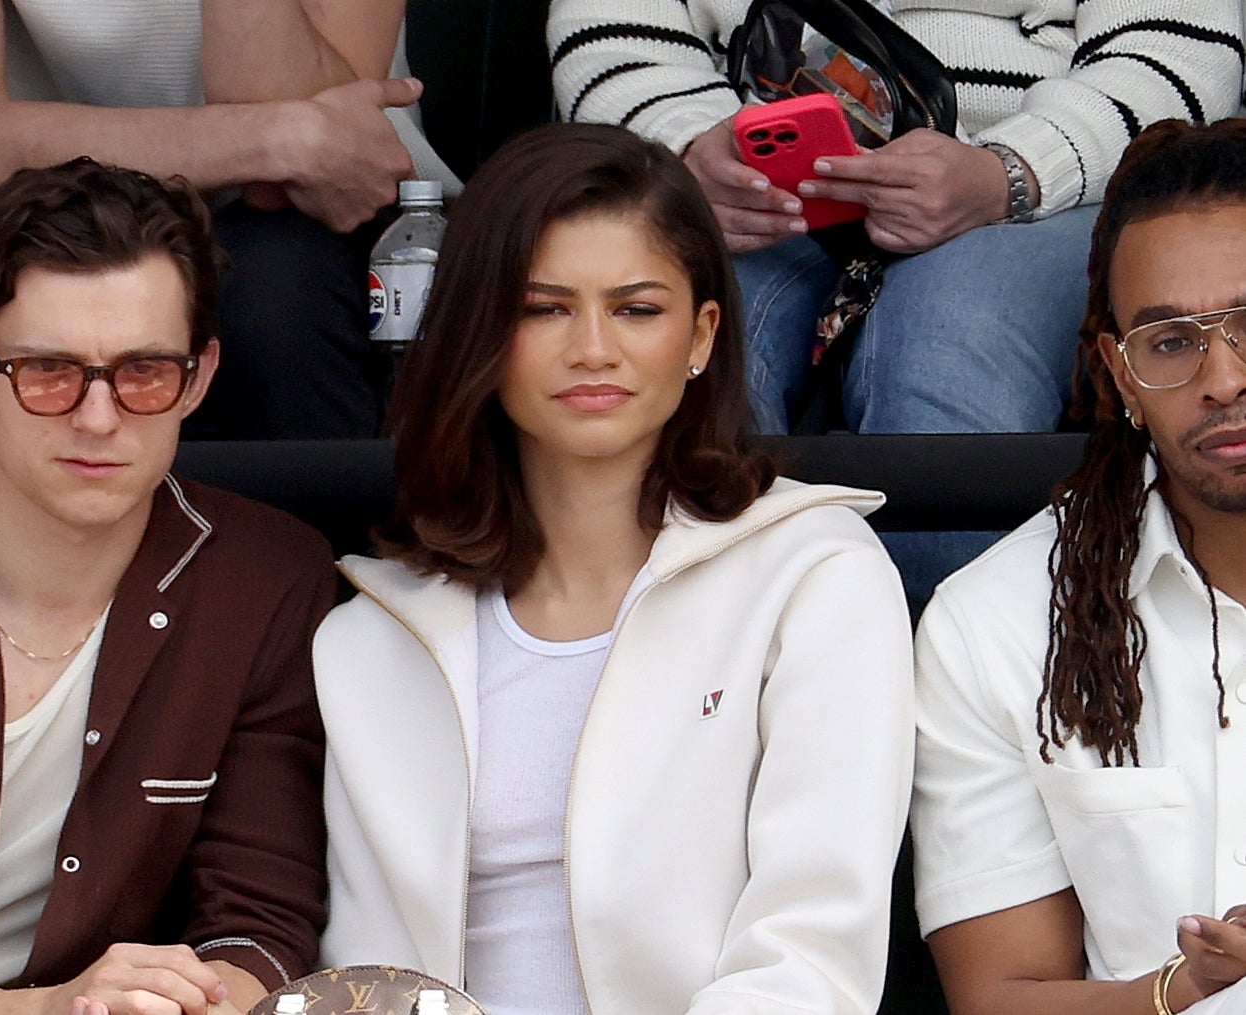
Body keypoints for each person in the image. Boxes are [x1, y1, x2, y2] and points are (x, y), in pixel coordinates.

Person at [314, 122, 915, 1015]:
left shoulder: (816, 573)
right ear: (478, 328)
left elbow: (811, 956)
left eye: (636, 308)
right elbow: (372, 978)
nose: (592, 347)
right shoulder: (371, 633)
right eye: (542, 307)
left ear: (701, 333)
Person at [0, 158, 336, 1014]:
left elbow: (258, 916)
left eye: (143, 371)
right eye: (49, 369)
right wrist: (41, 1010)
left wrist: (197, 1001)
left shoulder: (268, 576)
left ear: (199, 378)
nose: (98, 417)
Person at [547, 0, 1243, 436]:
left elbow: (1175, 48)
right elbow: (611, 33)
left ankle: (947, 654)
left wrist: (1013, 171)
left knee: (950, 336)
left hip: (1052, 188)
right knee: (687, 346)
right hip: (748, 180)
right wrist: (688, 151)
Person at [912, 117, 1246, 1015]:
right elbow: (1000, 997)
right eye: (1171, 342)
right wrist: (1184, 988)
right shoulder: (999, 620)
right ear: (1121, 374)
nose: (1221, 377)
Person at [0, 0, 425, 439]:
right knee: (44, 302)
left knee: (277, 287)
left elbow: (294, 183)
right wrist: (277, 139)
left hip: (324, 238)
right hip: (56, 218)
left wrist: (287, 147)